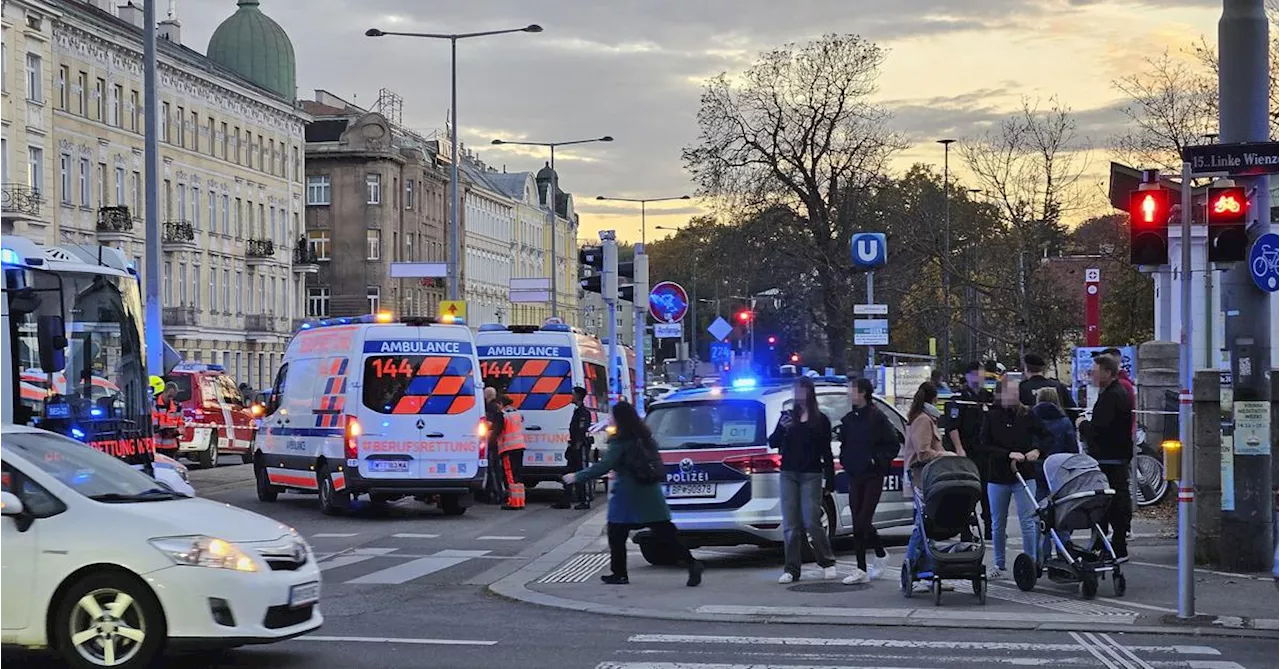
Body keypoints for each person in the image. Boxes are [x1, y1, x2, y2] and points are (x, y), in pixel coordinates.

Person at [563, 401, 704, 587]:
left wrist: (577, 476)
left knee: (616, 533)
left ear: (620, 419)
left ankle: (619, 573)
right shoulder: (645, 437)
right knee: (666, 532)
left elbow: (604, 465)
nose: (611, 419)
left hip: (627, 495)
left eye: (613, 416)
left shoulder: (620, 441)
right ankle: (691, 563)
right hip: (650, 491)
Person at [769, 377, 838, 584]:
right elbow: (773, 442)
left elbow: (826, 451)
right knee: (791, 524)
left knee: (811, 521)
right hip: (789, 473)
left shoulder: (821, 420)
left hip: (811, 474)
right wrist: (782, 429)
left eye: (801, 390)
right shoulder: (788, 417)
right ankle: (791, 569)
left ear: (809, 393)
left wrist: (830, 478)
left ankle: (827, 561)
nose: (798, 395)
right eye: (795, 391)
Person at [837, 377, 899, 584]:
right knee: (857, 520)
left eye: (852, 390)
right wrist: (846, 461)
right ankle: (861, 568)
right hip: (855, 474)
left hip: (873, 475)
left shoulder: (877, 417)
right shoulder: (848, 420)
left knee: (864, 519)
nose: (849, 394)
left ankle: (879, 554)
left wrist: (876, 460)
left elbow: (892, 444)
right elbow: (844, 445)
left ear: (863, 392)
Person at [979, 380, 1043, 579]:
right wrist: (1007, 454)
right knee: (998, 523)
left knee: (1028, 520)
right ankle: (999, 563)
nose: (1015, 396)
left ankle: (1030, 562)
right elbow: (984, 444)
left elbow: (1044, 437)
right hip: (998, 475)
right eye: (1011, 393)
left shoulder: (1028, 414)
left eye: (1016, 392)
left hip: (1024, 473)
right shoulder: (991, 416)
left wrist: (1037, 450)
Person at [1077, 353, 1134, 562]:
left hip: (1109, 458)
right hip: (1115, 456)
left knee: (1106, 502)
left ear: (1107, 373)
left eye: (1094, 371)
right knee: (1113, 501)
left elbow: (1101, 429)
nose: (1091, 375)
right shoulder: (1114, 392)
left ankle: (1112, 544)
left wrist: (1082, 424)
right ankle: (1109, 542)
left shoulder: (1112, 395)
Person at [902, 382, 955, 594]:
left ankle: (926, 572)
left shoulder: (924, 418)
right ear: (933, 400)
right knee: (922, 526)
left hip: (927, 478)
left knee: (926, 527)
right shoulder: (923, 421)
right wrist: (946, 455)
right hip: (922, 478)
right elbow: (923, 452)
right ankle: (910, 570)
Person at [945, 362, 992, 539]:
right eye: (974, 374)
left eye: (980, 374)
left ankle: (989, 528)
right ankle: (966, 530)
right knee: (967, 490)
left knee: (987, 491)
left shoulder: (988, 397)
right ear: (967, 376)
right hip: (967, 451)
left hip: (985, 452)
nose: (978, 377)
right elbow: (953, 426)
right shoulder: (959, 398)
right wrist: (959, 448)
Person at [554, 386, 594, 510]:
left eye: (573, 394)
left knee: (581, 473)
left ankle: (584, 500)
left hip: (579, 448)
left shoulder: (583, 412)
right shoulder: (577, 411)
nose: (571, 397)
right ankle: (566, 500)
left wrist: (577, 445)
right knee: (569, 472)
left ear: (578, 396)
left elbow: (581, 430)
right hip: (574, 447)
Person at [496, 396, 527, 510]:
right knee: (518, 475)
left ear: (500, 404)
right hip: (520, 446)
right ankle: (520, 501)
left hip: (508, 448)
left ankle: (513, 502)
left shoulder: (503, 415)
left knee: (510, 475)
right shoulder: (517, 413)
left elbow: (497, 431)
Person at [482, 386, 506, 504]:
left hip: (492, 442)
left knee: (493, 470)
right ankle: (491, 493)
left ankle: (496, 494)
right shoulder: (497, 408)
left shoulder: (490, 407)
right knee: (495, 469)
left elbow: (489, 424)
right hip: (497, 442)